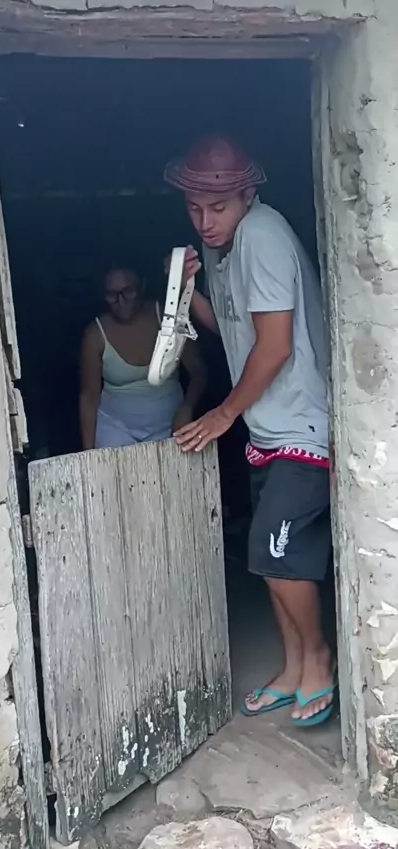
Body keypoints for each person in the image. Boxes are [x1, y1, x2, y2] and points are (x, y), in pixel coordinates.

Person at [164, 136, 333, 727]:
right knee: (267, 559)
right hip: (269, 427)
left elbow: (276, 345)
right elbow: (235, 326)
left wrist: (224, 413)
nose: (205, 222)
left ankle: (319, 658)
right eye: (194, 209)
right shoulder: (226, 246)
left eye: (218, 208)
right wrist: (189, 295)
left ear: (248, 194)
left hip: (300, 421)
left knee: (275, 550)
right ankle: (293, 667)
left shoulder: (262, 234)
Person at [80, 264, 206, 450]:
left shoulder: (167, 318)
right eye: (112, 295)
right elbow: (89, 397)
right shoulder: (95, 334)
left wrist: (187, 409)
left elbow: (199, 372)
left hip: (170, 424)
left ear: (142, 286)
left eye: (128, 292)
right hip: (115, 430)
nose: (121, 301)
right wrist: (88, 453)